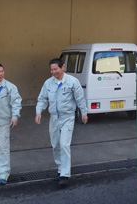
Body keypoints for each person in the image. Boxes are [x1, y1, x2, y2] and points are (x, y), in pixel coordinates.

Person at [35, 57, 88, 186]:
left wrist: (84, 112)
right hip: (54, 118)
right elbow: (42, 99)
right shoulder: (48, 83)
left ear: (62, 67)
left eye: (56, 69)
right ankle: (60, 168)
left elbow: (80, 98)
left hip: (68, 117)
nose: (54, 72)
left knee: (64, 144)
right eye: (51, 69)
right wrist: (39, 111)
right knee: (56, 145)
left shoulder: (72, 82)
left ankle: (65, 174)